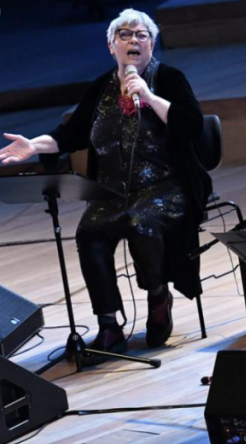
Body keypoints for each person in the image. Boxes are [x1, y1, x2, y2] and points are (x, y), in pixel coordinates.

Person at [0, 9, 211, 365]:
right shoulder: (101, 88)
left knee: (140, 223)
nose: (133, 40)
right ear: (111, 44)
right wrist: (34, 146)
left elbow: (192, 126)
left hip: (164, 187)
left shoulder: (168, 78)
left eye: (142, 35)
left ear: (152, 43)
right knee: (89, 231)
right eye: (125, 34)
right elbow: (71, 134)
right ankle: (109, 324)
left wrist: (149, 96)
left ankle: (158, 297)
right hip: (112, 192)